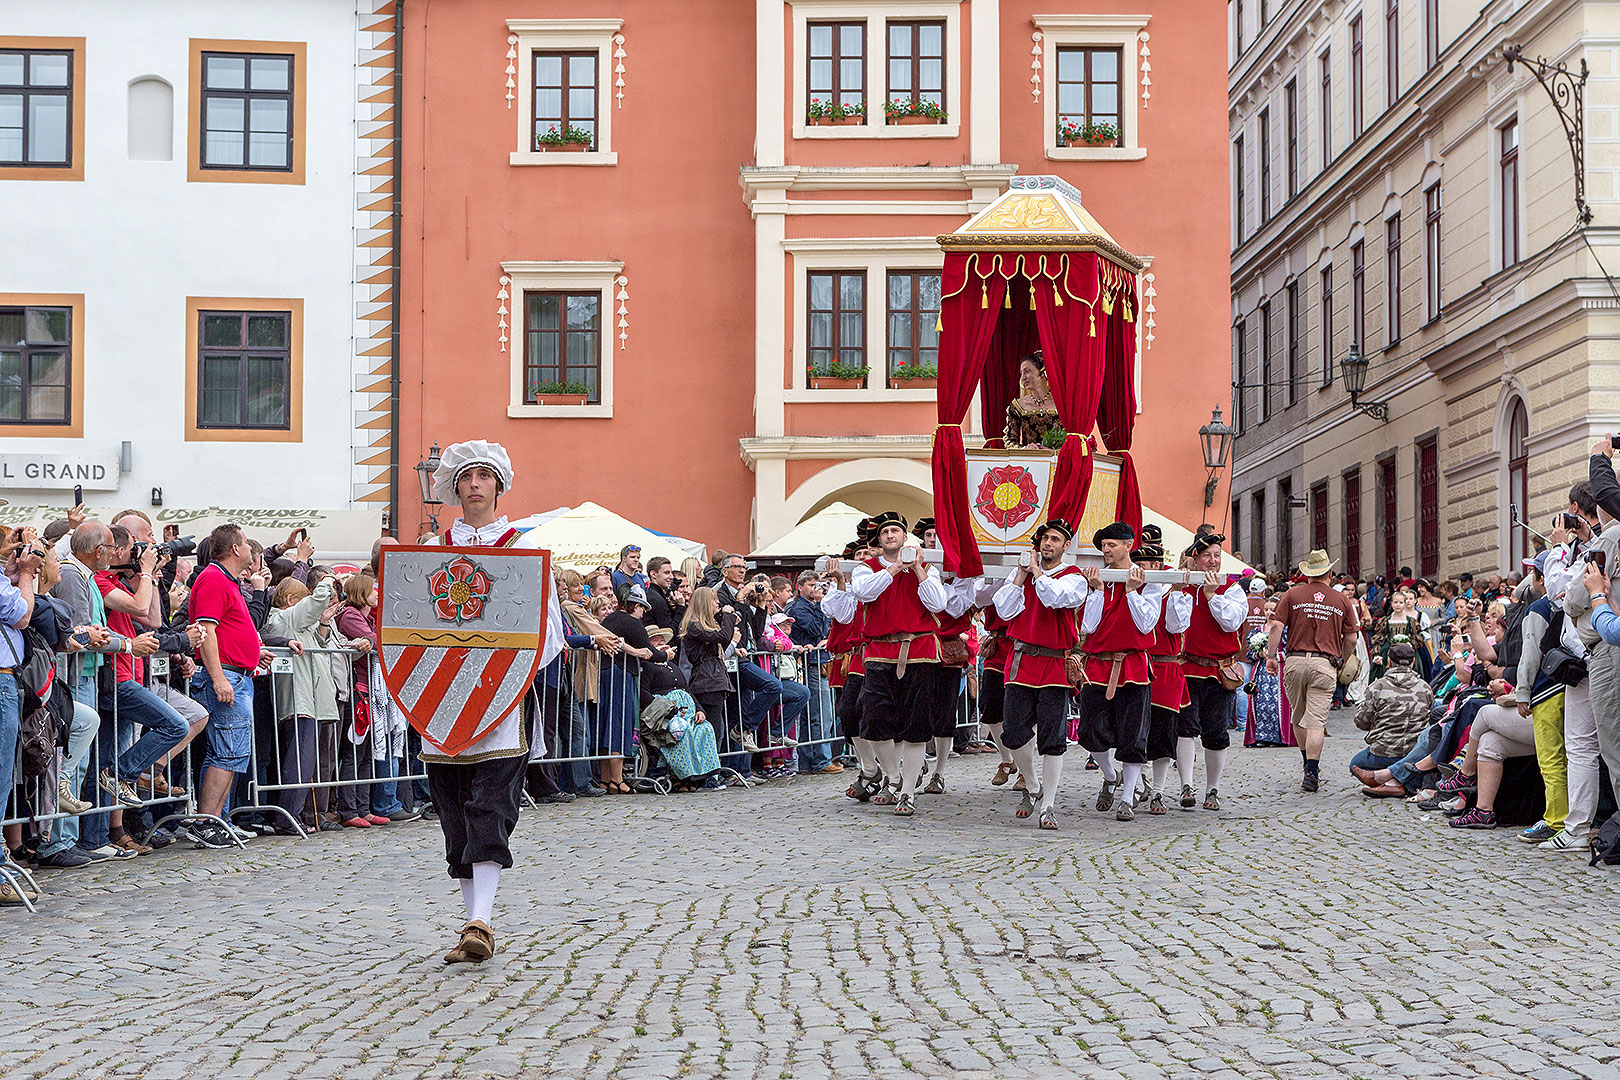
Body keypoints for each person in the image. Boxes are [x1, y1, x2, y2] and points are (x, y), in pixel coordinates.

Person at [417, 439, 566, 964]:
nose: (475, 484)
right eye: (467, 476)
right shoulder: (430, 554)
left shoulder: (523, 551)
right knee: (454, 813)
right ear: (453, 486)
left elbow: (549, 630)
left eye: (485, 476)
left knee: (489, 807)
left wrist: (508, 675)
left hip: (502, 701)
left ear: (499, 485)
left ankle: (481, 920)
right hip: (439, 702)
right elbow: (408, 631)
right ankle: (471, 921)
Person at [847, 511, 949, 816]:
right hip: (880, 651)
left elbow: (938, 604)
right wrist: (894, 568)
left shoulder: (927, 568)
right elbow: (865, 593)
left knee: (916, 725)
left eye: (895, 531)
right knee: (875, 722)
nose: (891, 535)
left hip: (918, 649)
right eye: (885, 532)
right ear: (879, 541)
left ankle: (907, 791)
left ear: (905, 537)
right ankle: (892, 775)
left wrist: (916, 568)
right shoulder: (865, 569)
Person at [993, 518, 1088, 829]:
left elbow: (1055, 598)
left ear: (1066, 546)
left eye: (1055, 540)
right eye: (1045, 538)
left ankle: (1048, 804)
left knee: (1052, 738)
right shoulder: (1022, 574)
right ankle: (1033, 785)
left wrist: (1036, 573)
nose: (1048, 544)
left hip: (1054, 663)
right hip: (1021, 660)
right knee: (1013, 731)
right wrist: (1021, 575)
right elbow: (1004, 611)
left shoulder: (1074, 578)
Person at [186, 523, 273, 848]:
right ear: (235, 549)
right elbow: (206, 631)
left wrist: (252, 651)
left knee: (231, 752)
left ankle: (214, 820)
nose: (251, 550)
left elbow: (227, 629)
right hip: (225, 675)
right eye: (246, 545)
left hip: (236, 672)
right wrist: (220, 677)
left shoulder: (227, 580)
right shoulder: (213, 579)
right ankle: (206, 822)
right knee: (227, 751)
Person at [1076, 522, 1161, 821]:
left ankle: (1127, 798)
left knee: (1133, 733)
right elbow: (1087, 627)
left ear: (1128, 545)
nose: (1106, 550)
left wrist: (1132, 593)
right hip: (1098, 664)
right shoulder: (1098, 579)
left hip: (1133, 664)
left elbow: (1146, 624)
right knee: (1088, 730)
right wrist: (1098, 592)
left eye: (1111, 544)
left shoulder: (1148, 581)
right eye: (1103, 545)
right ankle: (1111, 776)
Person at [1265, 549, 1360, 792]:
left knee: (1298, 715)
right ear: (1330, 573)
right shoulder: (1341, 600)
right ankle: (1312, 771)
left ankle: (1306, 761)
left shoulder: (1292, 594)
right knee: (1316, 721)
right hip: (1324, 663)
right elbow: (1351, 638)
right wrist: (1342, 658)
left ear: (1308, 574)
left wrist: (1271, 656)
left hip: (1295, 661)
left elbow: (1276, 626)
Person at [1175, 532, 1248, 811]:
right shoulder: (1183, 587)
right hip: (1188, 667)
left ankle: (1213, 789)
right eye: (1207, 556)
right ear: (1196, 559)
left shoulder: (1231, 588)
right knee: (1185, 727)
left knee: (1216, 732)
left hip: (1219, 671)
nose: (1213, 561)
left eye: (1217, 555)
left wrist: (1210, 595)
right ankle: (1186, 785)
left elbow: (1230, 623)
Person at [1133, 528, 1191, 815]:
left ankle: (1157, 790)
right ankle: (1135, 781)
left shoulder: (1171, 587)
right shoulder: (1126, 583)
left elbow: (1177, 626)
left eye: (1147, 557)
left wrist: (1177, 592)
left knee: (1163, 732)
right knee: (1129, 730)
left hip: (1164, 667)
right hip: (1134, 663)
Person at [1348, 643, 1434, 796]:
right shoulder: (1425, 688)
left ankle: (1389, 781)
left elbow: (1361, 722)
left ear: (1389, 661)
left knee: (1355, 764)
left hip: (1383, 753)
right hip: (1413, 753)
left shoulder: (1377, 687)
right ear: (1413, 661)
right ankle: (1401, 782)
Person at [785, 570, 841, 775]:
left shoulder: (810, 606)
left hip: (818, 662)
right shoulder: (799, 608)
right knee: (820, 714)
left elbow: (826, 630)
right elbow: (817, 629)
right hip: (811, 664)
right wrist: (819, 605)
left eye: (817, 584)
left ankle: (810, 761)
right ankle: (820, 760)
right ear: (799, 587)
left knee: (817, 714)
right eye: (810, 585)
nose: (815, 588)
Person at [1002, 351, 1062, 449]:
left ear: (1042, 373)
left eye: (1027, 371)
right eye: (1021, 373)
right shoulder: (1017, 406)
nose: (1023, 378)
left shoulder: (1061, 405)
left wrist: (1054, 451)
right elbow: (1009, 441)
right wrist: (1025, 449)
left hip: (1057, 462)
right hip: (1030, 463)